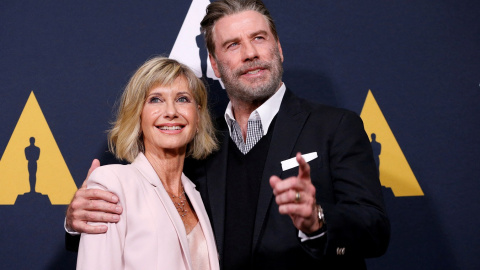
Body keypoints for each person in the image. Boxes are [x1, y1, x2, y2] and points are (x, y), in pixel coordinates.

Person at [67, 1, 390, 269]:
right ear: (215, 65)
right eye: (232, 44)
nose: (250, 53)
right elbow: (146, 224)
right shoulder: (197, 143)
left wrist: (317, 218)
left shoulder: (335, 126)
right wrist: (78, 220)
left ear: (278, 48)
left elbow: (374, 231)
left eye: (259, 38)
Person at [75, 57, 220, 270]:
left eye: (182, 99)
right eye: (155, 99)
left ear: (197, 116)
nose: (171, 112)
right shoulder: (114, 184)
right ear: (137, 115)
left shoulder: (196, 195)